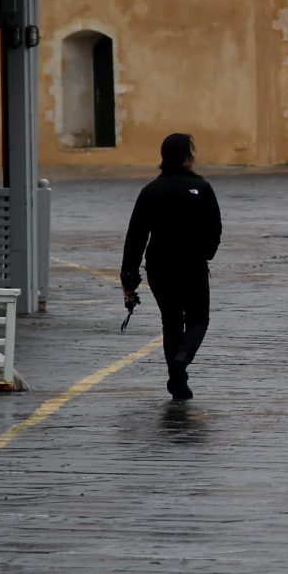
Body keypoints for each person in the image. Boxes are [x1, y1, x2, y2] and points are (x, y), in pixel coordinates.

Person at [121, 132, 223, 403]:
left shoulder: (151, 191)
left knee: (171, 321)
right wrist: (206, 254)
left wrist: (128, 276)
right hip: (192, 264)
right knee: (198, 319)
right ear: (187, 157)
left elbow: (136, 236)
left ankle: (178, 382)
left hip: (159, 267)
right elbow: (214, 229)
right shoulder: (201, 189)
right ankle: (182, 359)